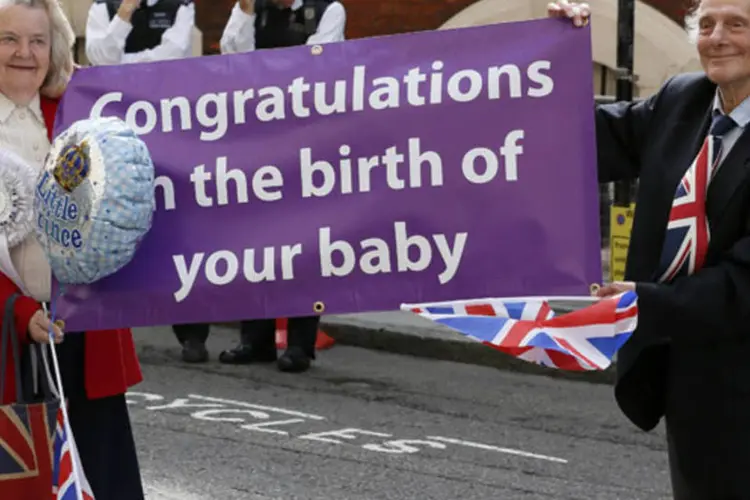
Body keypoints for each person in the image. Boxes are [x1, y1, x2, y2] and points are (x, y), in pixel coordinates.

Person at [550, 0, 750, 497]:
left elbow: (744, 283)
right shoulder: (684, 99)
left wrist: (642, 303)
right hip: (692, 381)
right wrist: (551, 56)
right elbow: (577, 141)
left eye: (738, 24)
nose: (717, 37)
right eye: (706, 25)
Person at [0, 0, 145, 497]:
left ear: (54, 47)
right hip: (9, 342)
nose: (24, 53)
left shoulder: (84, 112)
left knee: (103, 477)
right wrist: (16, 311)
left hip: (85, 330)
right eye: (8, 39)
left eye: (37, 40)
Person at [172, 0, 346, 371]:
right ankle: (256, 339)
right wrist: (246, 11)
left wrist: (261, 70)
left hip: (306, 143)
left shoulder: (328, 10)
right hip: (257, 141)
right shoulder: (252, 8)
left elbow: (314, 67)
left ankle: (300, 344)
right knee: (254, 243)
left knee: (303, 247)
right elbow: (234, 53)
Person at [84, 0, 194, 66]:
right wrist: (123, 16)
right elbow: (101, 60)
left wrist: (122, 63)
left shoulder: (181, 4)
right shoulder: (102, 5)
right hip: (115, 96)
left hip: (165, 97)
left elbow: (173, 56)